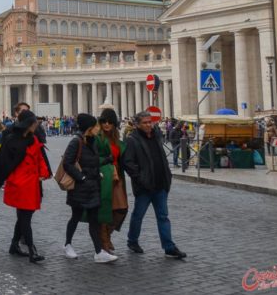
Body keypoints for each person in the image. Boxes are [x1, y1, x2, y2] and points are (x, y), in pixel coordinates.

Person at [0, 110, 52, 264]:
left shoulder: (33, 139)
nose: (36, 125)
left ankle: (14, 245)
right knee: (25, 217)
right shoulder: (12, 140)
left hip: (32, 182)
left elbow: (40, 158)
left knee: (24, 216)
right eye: (34, 123)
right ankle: (32, 251)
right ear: (28, 124)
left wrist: (44, 172)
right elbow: (3, 162)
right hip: (20, 183)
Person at [123, 112, 187, 259]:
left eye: (150, 122)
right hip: (145, 186)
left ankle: (169, 247)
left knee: (163, 217)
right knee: (138, 216)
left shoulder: (157, 136)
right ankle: (132, 240)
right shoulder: (132, 140)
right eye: (145, 122)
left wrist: (168, 177)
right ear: (137, 124)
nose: (148, 125)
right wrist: (140, 179)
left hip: (160, 183)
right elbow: (128, 162)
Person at [62, 114, 117, 263]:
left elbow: (91, 162)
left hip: (93, 186)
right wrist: (82, 178)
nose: (98, 128)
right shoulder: (76, 142)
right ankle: (68, 244)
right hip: (80, 187)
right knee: (76, 216)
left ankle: (99, 252)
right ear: (89, 127)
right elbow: (67, 163)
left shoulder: (91, 141)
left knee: (94, 220)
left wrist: (105, 162)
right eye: (96, 126)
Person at [94, 109, 128, 254]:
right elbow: (91, 158)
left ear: (114, 124)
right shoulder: (97, 138)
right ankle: (104, 240)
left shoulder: (117, 140)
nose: (107, 124)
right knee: (105, 209)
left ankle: (107, 234)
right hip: (103, 178)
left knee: (122, 208)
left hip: (117, 177)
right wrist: (104, 161)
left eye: (110, 122)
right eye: (104, 121)